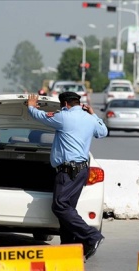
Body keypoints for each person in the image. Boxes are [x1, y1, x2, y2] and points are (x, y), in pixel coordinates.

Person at [26, 92, 107, 261]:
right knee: (68, 209)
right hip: (82, 171)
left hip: (68, 171)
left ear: (65, 104)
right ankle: (69, 247)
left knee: (60, 207)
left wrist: (31, 106)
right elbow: (103, 132)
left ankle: (91, 236)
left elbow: (40, 117)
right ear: (78, 103)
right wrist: (93, 113)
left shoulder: (63, 117)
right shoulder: (90, 118)